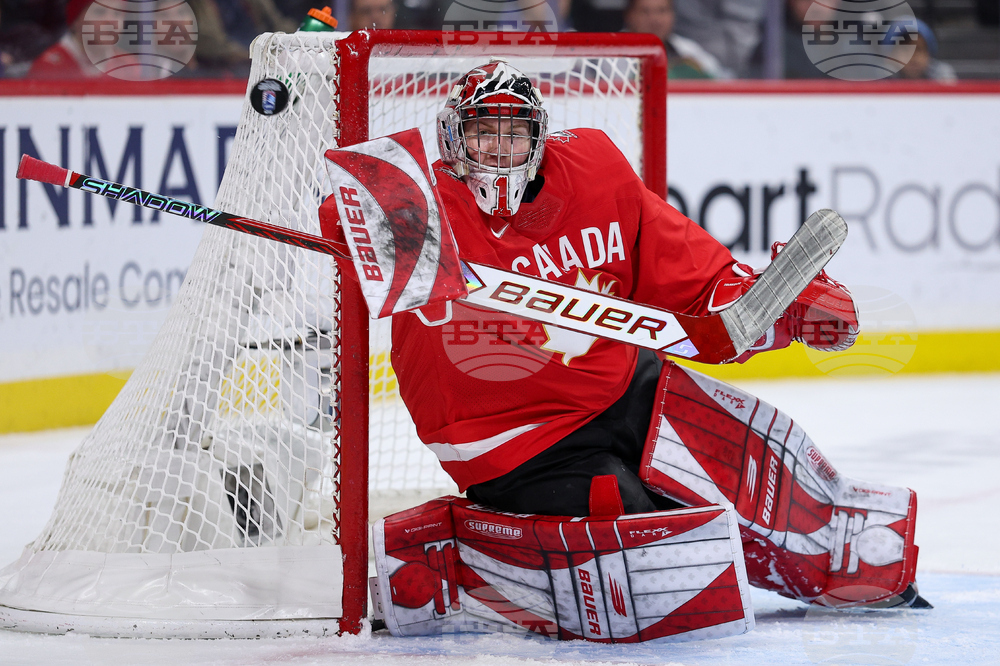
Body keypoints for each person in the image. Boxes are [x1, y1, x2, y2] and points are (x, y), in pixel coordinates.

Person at [322, 61, 926, 639]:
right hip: (509, 438)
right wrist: (390, 212)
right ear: (454, 140)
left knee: (751, 464)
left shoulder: (593, 168)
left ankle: (863, 574)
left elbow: (689, 271)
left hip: (620, 385)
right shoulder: (418, 197)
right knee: (647, 559)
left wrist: (778, 307)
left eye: (514, 134)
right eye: (484, 134)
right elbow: (334, 217)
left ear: (539, 137)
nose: (499, 150)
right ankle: (454, 558)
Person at [623, 0, 731, 79]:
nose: (655, 20)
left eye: (662, 11)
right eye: (645, 11)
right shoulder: (610, 55)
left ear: (673, 15)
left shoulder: (688, 50)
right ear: (630, 15)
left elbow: (725, 79)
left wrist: (698, 73)